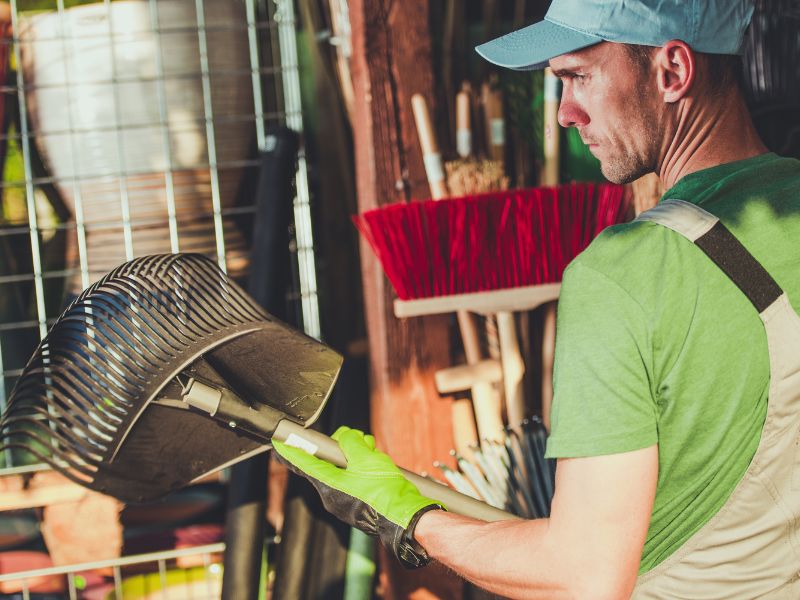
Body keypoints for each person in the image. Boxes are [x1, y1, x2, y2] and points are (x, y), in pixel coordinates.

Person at [274, 0, 800, 597]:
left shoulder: (623, 275)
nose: (565, 114)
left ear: (672, 71)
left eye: (577, 76)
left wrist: (405, 513)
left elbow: (583, 575)